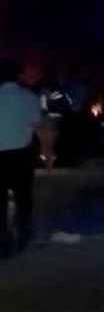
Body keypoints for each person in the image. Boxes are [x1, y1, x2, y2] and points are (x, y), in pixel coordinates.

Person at [0, 59, 42, 254]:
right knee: (23, 197)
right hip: (22, 156)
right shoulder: (30, 97)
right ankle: (25, 238)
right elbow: (37, 126)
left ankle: (3, 244)